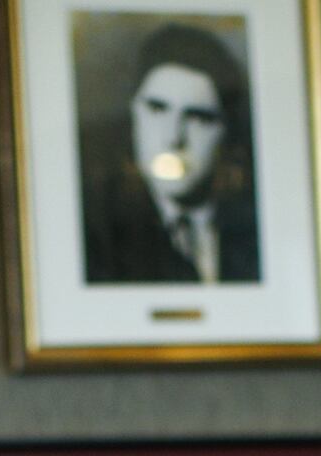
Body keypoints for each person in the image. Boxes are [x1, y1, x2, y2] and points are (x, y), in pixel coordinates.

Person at [79, 23, 260, 285]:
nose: (173, 137)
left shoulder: (253, 231)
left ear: (227, 133)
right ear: (134, 114)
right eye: (157, 109)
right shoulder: (96, 236)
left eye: (198, 118)